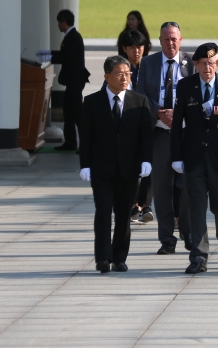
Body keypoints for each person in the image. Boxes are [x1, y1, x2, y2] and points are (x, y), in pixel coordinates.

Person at [170, 43, 218, 274]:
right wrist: (176, 156)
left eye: (211, 63)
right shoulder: (186, 87)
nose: (207, 68)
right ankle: (199, 258)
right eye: (203, 63)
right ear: (195, 65)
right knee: (196, 210)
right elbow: (177, 126)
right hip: (194, 159)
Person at [78, 55, 153, 273]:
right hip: (102, 169)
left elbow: (145, 136)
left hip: (127, 169)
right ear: (106, 76)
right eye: (119, 74)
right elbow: (87, 137)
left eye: (127, 74)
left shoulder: (139, 101)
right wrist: (85, 164)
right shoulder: (91, 102)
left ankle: (119, 257)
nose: (124, 78)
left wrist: (146, 160)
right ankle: (102, 257)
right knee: (102, 212)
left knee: (123, 215)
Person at [135, 21, 194, 255]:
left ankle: (188, 233)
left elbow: (199, 94)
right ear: (159, 41)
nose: (170, 43)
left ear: (181, 40)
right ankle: (167, 238)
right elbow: (139, 95)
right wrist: (160, 111)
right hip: (159, 134)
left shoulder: (191, 62)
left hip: (185, 135)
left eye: (174, 39)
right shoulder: (148, 63)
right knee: (161, 188)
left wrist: (177, 113)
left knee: (188, 185)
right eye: (166, 39)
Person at [117, 30, 150, 222]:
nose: (136, 51)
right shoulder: (121, 68)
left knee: (148, 164)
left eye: (139, 47)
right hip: (128, 123)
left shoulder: (150, 67)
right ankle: (133, 203)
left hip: (147, 121)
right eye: (132, 47)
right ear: (125, 49)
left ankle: (144, 204)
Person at [46, 9, 90, 152]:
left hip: (75, 81)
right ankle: (70, 142)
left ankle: (85, 144)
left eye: (59, 22)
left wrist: (50, 58)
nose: (58, 25)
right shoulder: (71, 36)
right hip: (73, 81)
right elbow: (64, 54)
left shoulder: (73, 37)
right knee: (69, 113)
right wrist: (49, 53)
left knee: (77, 113)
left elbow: (67, 57)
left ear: (64, 22)